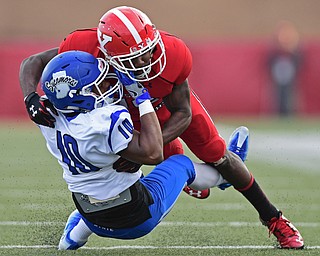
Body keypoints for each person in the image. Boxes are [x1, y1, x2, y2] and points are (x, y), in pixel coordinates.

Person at [19, 6, 304, 249]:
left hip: (164, 107)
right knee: (122, 165)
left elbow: (182, 112)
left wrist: (140, 152)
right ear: (106, 54)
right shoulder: (84, 46)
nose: (146, 61)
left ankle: (274, 218)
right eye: (135, 59)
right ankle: (91, 217)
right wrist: (31, 96)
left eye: (149, 51)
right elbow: (34, 62)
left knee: (219, 156)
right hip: (123, 110)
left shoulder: (173, 53)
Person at [36, 50, 229, 250]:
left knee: (110, 188)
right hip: (137, 218)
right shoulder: (105, 121)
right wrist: (141, 97)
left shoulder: (47, 118)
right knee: (181, 164)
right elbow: (154, 153)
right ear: (78, 95)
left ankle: (73, 238)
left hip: (90, 213)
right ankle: (225, 177)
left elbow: (48, 92)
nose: (106, 86)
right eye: (98, 86)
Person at [267, 20, 302, 116]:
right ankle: (278, 113)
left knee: (290, 94)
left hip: (290, 75)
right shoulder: (276, 51)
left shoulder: (293, 50)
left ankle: (290, 113)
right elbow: (270, 60)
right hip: (278, 75)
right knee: (277, 94)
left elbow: (298, 60)